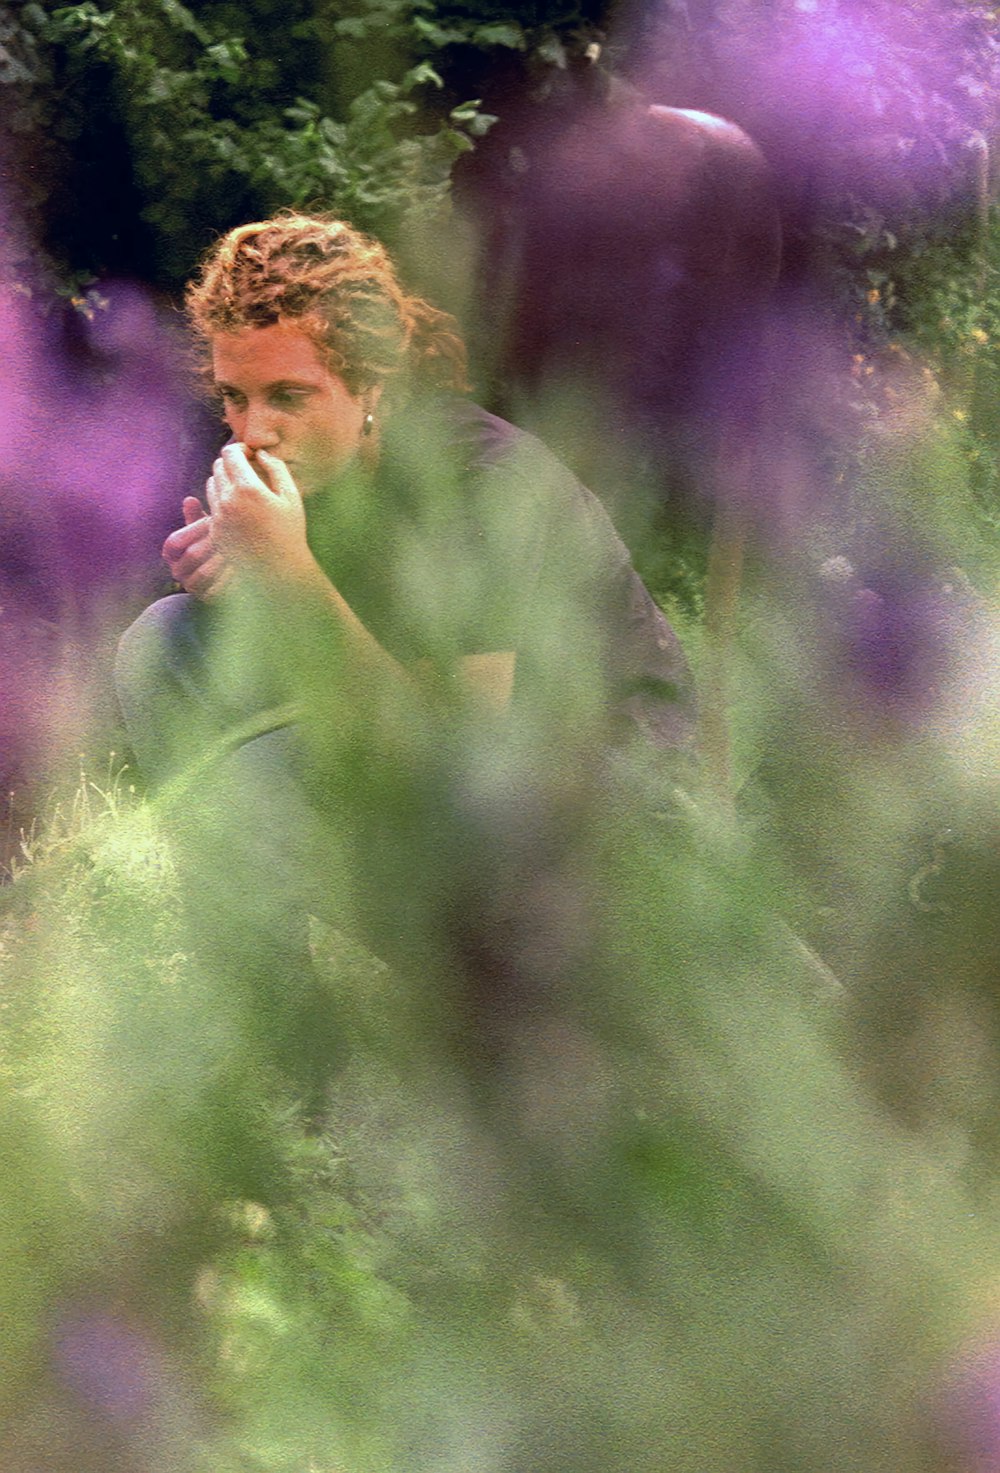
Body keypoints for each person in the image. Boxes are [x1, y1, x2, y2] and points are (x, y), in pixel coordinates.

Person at [114, 213, 694, 1084]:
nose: (250, 432)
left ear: (373, 383)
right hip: (447, 799)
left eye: (289, 396)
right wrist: (253, 593)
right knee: (167, 646)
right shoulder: (318, 471)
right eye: (234, 397)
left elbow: (450, 743)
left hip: (603, 832)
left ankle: (480, 1029)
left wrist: (288, 572)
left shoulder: (483, 483)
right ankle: (281, 1054)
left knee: (253, 770)